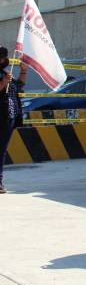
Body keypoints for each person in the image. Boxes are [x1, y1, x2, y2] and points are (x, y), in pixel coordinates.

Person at [0, 48, 26, 194]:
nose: (4, 60)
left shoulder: (5, 74)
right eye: (2, 57)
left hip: (8, 117)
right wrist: (3, 83)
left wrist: (23, 71)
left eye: (4, 57)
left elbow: (19, 87)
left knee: (2, 150)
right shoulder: (3, 77)